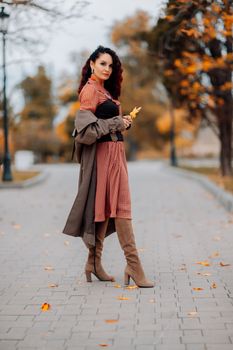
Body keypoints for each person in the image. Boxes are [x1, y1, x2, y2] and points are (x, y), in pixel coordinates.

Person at [63, 45, 154, 288]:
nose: (107, 69)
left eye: (111, 65)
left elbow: (109, 124)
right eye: (102, 63)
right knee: (120, 207)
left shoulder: (105, 92)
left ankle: (93, 263)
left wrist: (123, 123)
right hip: (102, 156)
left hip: (117, 154)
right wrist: (116, 122)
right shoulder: (89, 92)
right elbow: (85, 133)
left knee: (105, 208)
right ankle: (133, 265)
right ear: (92, 63)